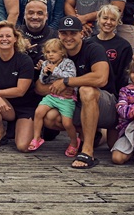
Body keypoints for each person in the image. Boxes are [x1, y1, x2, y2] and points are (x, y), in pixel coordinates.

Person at [39, 16, 118, 169]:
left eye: (73, 33)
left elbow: (101, 78)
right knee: (49, 118)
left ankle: (88, 151)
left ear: (82, 33)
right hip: (78, 106)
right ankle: (90, 135)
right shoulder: (56, 54)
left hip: (107, 106)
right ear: (59, 35)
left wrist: (66, 82)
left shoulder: (93, 48)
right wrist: (58, 89)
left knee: (86, 90)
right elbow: (39, 87)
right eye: (64, 33)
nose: (68, 38)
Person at [0, 22, 36, 151]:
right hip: (5, 106)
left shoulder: (24, 60)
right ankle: (1, 130)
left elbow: (20, 91)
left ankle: (24, 127)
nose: (4, 39)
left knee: (23, 147)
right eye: (0, 36)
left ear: (15, 39)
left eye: (8, 36)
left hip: (25, 106)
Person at [26, 39, 78, 154]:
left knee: (67, 123)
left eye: (54, 52)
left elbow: (70, 77)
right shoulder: (45, 63)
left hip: (66, 99)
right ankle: (36, 138)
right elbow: (42, 81)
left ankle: (74, 142)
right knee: (39, 112)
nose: (50, 55)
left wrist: (55, 70)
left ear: (62, 52)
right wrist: (45, 73)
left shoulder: (68, 63)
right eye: (48, 52)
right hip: (52, 95)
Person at [91, 4, 133, 90]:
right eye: (105, 18)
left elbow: (123, 77)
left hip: (111, 94)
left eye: (113, 19)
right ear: (98, 19)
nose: (108, 22)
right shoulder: (88, 43)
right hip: (88, 89)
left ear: (118, 22)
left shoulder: (124, 46)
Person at [18, 0, 58, 65]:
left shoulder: (56, 37)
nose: (35, 17)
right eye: (31, 13)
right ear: (24, 15)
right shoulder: (14, 35)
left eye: (40, 13)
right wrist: (18, 47)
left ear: (46, 16)